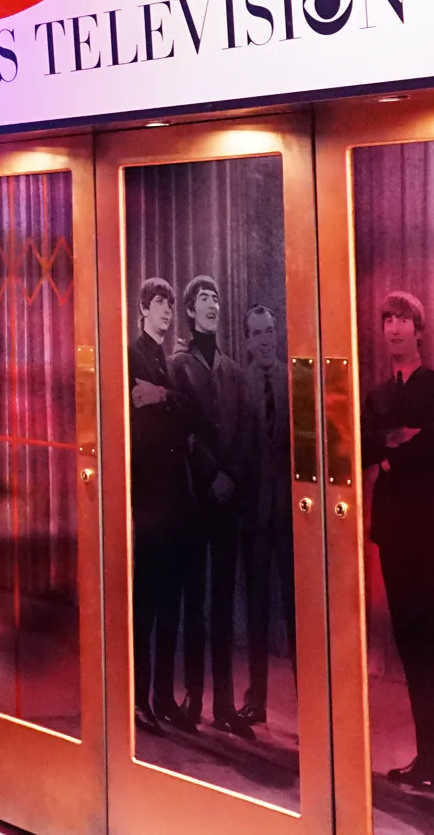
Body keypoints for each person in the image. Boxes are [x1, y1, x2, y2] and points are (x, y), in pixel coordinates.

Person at [363, 291, 434, 805]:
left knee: (432, 646)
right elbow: (362, 446)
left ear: (419, 330)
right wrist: (396, 441)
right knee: (408, 644)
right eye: (388, 320)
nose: (395, 328)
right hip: (394, 532)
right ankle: (426, 759)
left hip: (432, 533)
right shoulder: (377, 394)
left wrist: (393, 446)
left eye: (403, 320)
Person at [169, 273, 251, 737]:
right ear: (190, 310)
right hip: (195, 499)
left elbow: (245, 434)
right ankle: (193, 699)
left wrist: (231, 476)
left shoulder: (234, 371)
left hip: (227, 502)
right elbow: (183, 430)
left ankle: (224, 704)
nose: (212, 303)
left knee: (223, 602)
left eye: (216, 296)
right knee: (195, 602)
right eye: (203, 297)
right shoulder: (178, 367)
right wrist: (211, 474)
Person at [129, 276, 195, 731]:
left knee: (171, 600)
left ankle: (164, 696)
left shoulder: (167, 364)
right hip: (149, 494)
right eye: (159, 304)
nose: (167, 312)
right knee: (147, 604)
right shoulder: (133, 355)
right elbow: (141, 423)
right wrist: (168, 404)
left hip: (173, 494)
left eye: (169, 305)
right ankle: (139, 699)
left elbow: (188, 413)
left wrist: (163, 396)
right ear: (143, 310)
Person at [238, 303, 295, 731]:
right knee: (257, 610)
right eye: (256, 333)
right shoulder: (239, 385)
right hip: (254, 516)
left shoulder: (295, 380)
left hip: (292, 517)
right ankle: (255, 700)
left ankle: (310, 704)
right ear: (247, 340)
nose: (264, 340)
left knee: (297, 613)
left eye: (269, 331)